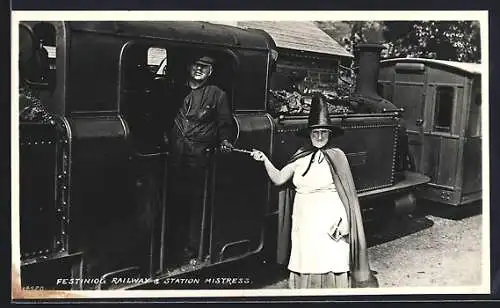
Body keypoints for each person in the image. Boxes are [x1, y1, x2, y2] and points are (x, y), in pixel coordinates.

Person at [251, 93, 378, 288]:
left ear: (330, 135)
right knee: (307, 258)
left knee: (331, 258)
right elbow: (278, 179)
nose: (319, 137)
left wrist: (345, 222)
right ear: (309, 135)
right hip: (305, 221)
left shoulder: (338, 157)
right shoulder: (299, 158)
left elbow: (348, 195)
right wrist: (265, 160)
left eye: (323, 133)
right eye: (315, 132)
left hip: (330, 220)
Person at [167, 55, 235, 264]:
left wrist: (225, 141)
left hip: (199, 159)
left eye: (204, 67)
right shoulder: (175, 90)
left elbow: (225, 123)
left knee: (196, 206)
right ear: (189, 66)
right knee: (175, 203)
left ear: (210, 72)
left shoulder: (217, 95)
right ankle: (174, 249)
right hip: (175, 156)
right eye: (196, 65)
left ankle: (193, 250)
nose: (199, 69)